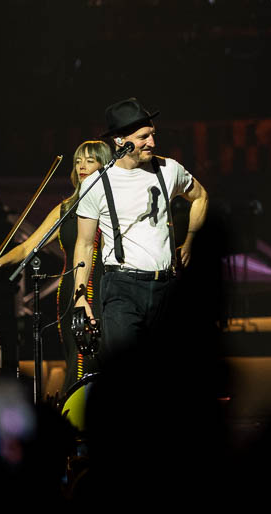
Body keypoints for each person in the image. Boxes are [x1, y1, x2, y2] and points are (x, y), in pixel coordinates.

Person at [73, 97, 208, 363]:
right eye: (143, 137)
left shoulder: (168, 170)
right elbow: (85, 244)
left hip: (166, 287)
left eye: (152, 135)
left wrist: (190, 239)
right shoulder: (97, 184)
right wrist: (80, 297)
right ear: (120, 140)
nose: (152, 143)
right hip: (121, 288)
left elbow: (201, 196)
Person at [0, 140, 112, 391]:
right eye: (78, 161)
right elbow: (28, 247)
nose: (82, 166)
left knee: (101, 358)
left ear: (105, 165)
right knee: (78, 358)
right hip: (72, 289)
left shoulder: (114, 207)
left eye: (90, 161)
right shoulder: (65, 209)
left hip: (107, 288)